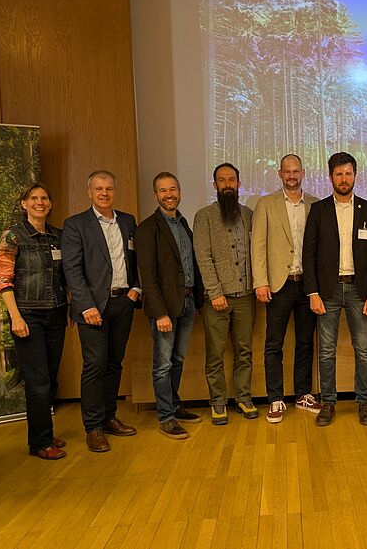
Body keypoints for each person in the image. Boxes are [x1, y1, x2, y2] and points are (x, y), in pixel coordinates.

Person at [303, 152, 367, 427]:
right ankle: (328, 402)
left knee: (363, 349)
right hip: (328, 291)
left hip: (360, 290)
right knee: (326, 350)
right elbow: (309, 253)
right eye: (339, 174)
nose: (344, 178)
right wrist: (312, 292)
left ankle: (363, 401)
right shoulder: (319, 210)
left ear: (355, 176)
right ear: (331, 178)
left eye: (348, 173)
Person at [62, 170, 140, 452]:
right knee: (95, 365)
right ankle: (93, 428)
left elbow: (136, 258)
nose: (104, 193)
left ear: (114, 191)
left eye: (108, 188)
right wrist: (86, 305)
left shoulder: (128, 221)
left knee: (114, 363)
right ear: (89, 192)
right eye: (98, 189)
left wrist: (136, 289)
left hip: (122, 303)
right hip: (92, 308)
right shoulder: (75, 225)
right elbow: (72, 269)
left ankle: (109, 417)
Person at [0, 184, 69, 460]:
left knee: (50, 378)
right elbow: (4, 281)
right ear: (23, 203)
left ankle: (44, 431)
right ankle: (40, 442)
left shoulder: (57, 236)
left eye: (45, 198)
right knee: (38, 381)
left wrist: (69, 306)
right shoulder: (13, 236)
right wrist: (16, 317)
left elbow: (64, 276)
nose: (40, 202)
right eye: (34, 198)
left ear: (50, 204)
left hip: (56, 313)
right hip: (27, 315)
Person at [135, 172, 206, 439]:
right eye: (163, 190)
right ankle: (165, 417)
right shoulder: (147, 229)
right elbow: (148, 275)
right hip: (164, 308)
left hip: (186, 303)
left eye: (173, 189)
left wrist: (196, 300)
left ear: (179, 191)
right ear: (156, 195)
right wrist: (160, 313)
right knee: (163, 364)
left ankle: (175, 406)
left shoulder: (183, 223)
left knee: (177, 359)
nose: (169, 195)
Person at [251, 154, 321, 423]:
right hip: (278, 285)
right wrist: (260, 281)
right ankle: (275, 398)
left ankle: (303, 394)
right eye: (287, 171)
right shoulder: (266, 204)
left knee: (305, 342)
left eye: (296, 171)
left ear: (303, 173)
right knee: (274, 344)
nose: (292, 175)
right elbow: (258, 245)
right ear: (280, 174)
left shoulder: (314, 204)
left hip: (307, 285)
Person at [193, 163, 256, 425]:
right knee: (215, 353)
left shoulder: (249, 214)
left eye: (231, 180)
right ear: (215, 185)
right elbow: (203, 257)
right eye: (222, 180)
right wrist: (214, 292)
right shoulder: (204, 216)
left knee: (244, 351)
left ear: (239, 184)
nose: (227, 184)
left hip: (246, 296)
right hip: (217, 299)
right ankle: (218, 401)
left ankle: (243, 397)